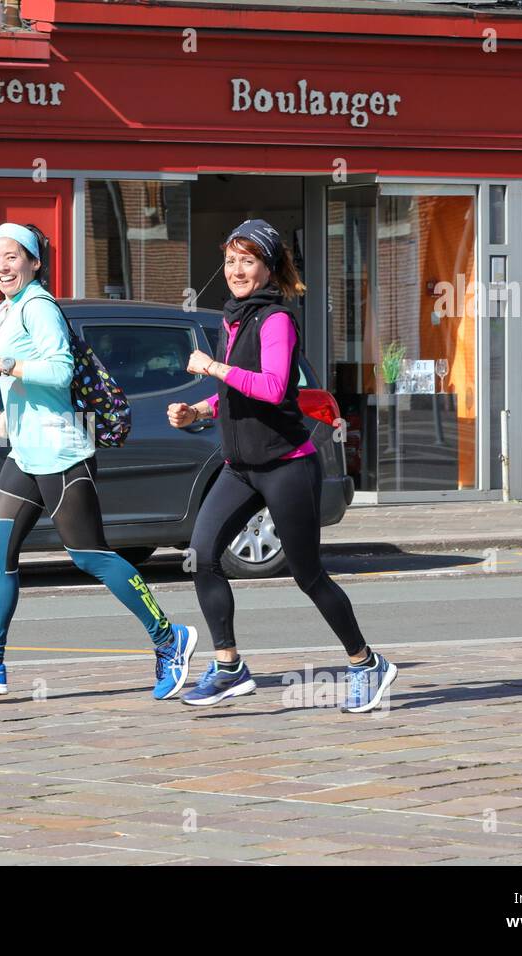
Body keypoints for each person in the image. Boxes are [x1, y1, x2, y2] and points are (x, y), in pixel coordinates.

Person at [0, 222, 197, 698]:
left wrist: (3, 366)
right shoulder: (5, 312)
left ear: (33, 262)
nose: (1, 267)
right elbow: (32, 387)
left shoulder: (40, 307)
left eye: (12, 257)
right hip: (26, 452)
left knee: (90, 556)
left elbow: (59, 370)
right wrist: (7, 418)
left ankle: (169, 637)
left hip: (61, 454)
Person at [167, 218, 397, 713]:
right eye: (230, 260)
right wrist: (199, 411)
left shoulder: (276, 320)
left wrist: (211, 366)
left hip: (286, 465)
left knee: (307, 574)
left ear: (268, 269)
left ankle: (365, 662)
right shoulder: (233, 317)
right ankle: (228, 666)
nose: (236, 270)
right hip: (239, 465)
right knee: (203, 554)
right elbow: (235, 390)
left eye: (247, 261)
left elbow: (273, 387)